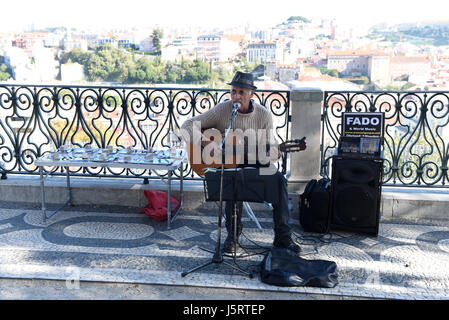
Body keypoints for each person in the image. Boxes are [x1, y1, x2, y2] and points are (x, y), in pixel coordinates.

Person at [181, 71, 301, 255]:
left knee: (279, 180)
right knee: (231, 179)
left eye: (241, 92)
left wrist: (274, 153)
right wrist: (208, 143)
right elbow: (187, 125)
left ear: (252, 94)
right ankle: (232, 238)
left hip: (254, 161)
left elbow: (271, 146)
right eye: (233, 91)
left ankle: (283, 238)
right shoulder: (224, 109)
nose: (236, 96)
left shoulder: (264, 115)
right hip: (230, 164)